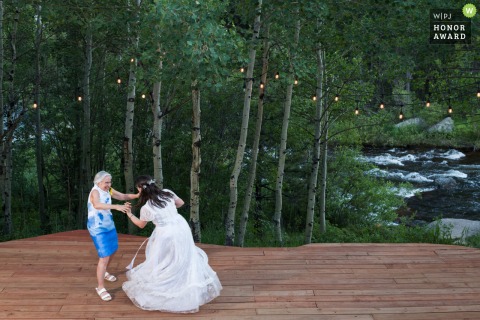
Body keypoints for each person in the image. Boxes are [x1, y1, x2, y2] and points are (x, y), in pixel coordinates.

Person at [122, 175, 222, 313]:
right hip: (181, 226)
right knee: (183, 255)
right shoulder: (168, 193)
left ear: (141, 189)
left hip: (166, 233)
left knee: (164, 258)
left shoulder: (147, 207)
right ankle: (185, 281)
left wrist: (129, 214)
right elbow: (180, 203)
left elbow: (140, 225)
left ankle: (169, 285)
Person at [87, 170, 139, 302]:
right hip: (98, 228)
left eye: (110, 182)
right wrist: (116, 206)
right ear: (98, 182)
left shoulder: (108, 190)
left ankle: (104, 272)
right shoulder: (95, 192)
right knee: (104, 256)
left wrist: (138, 195)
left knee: (113, 250)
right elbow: (97, 205)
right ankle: (100, 287)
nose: (109, 184)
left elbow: (122, 196)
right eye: (106, 182)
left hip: (108, 225)